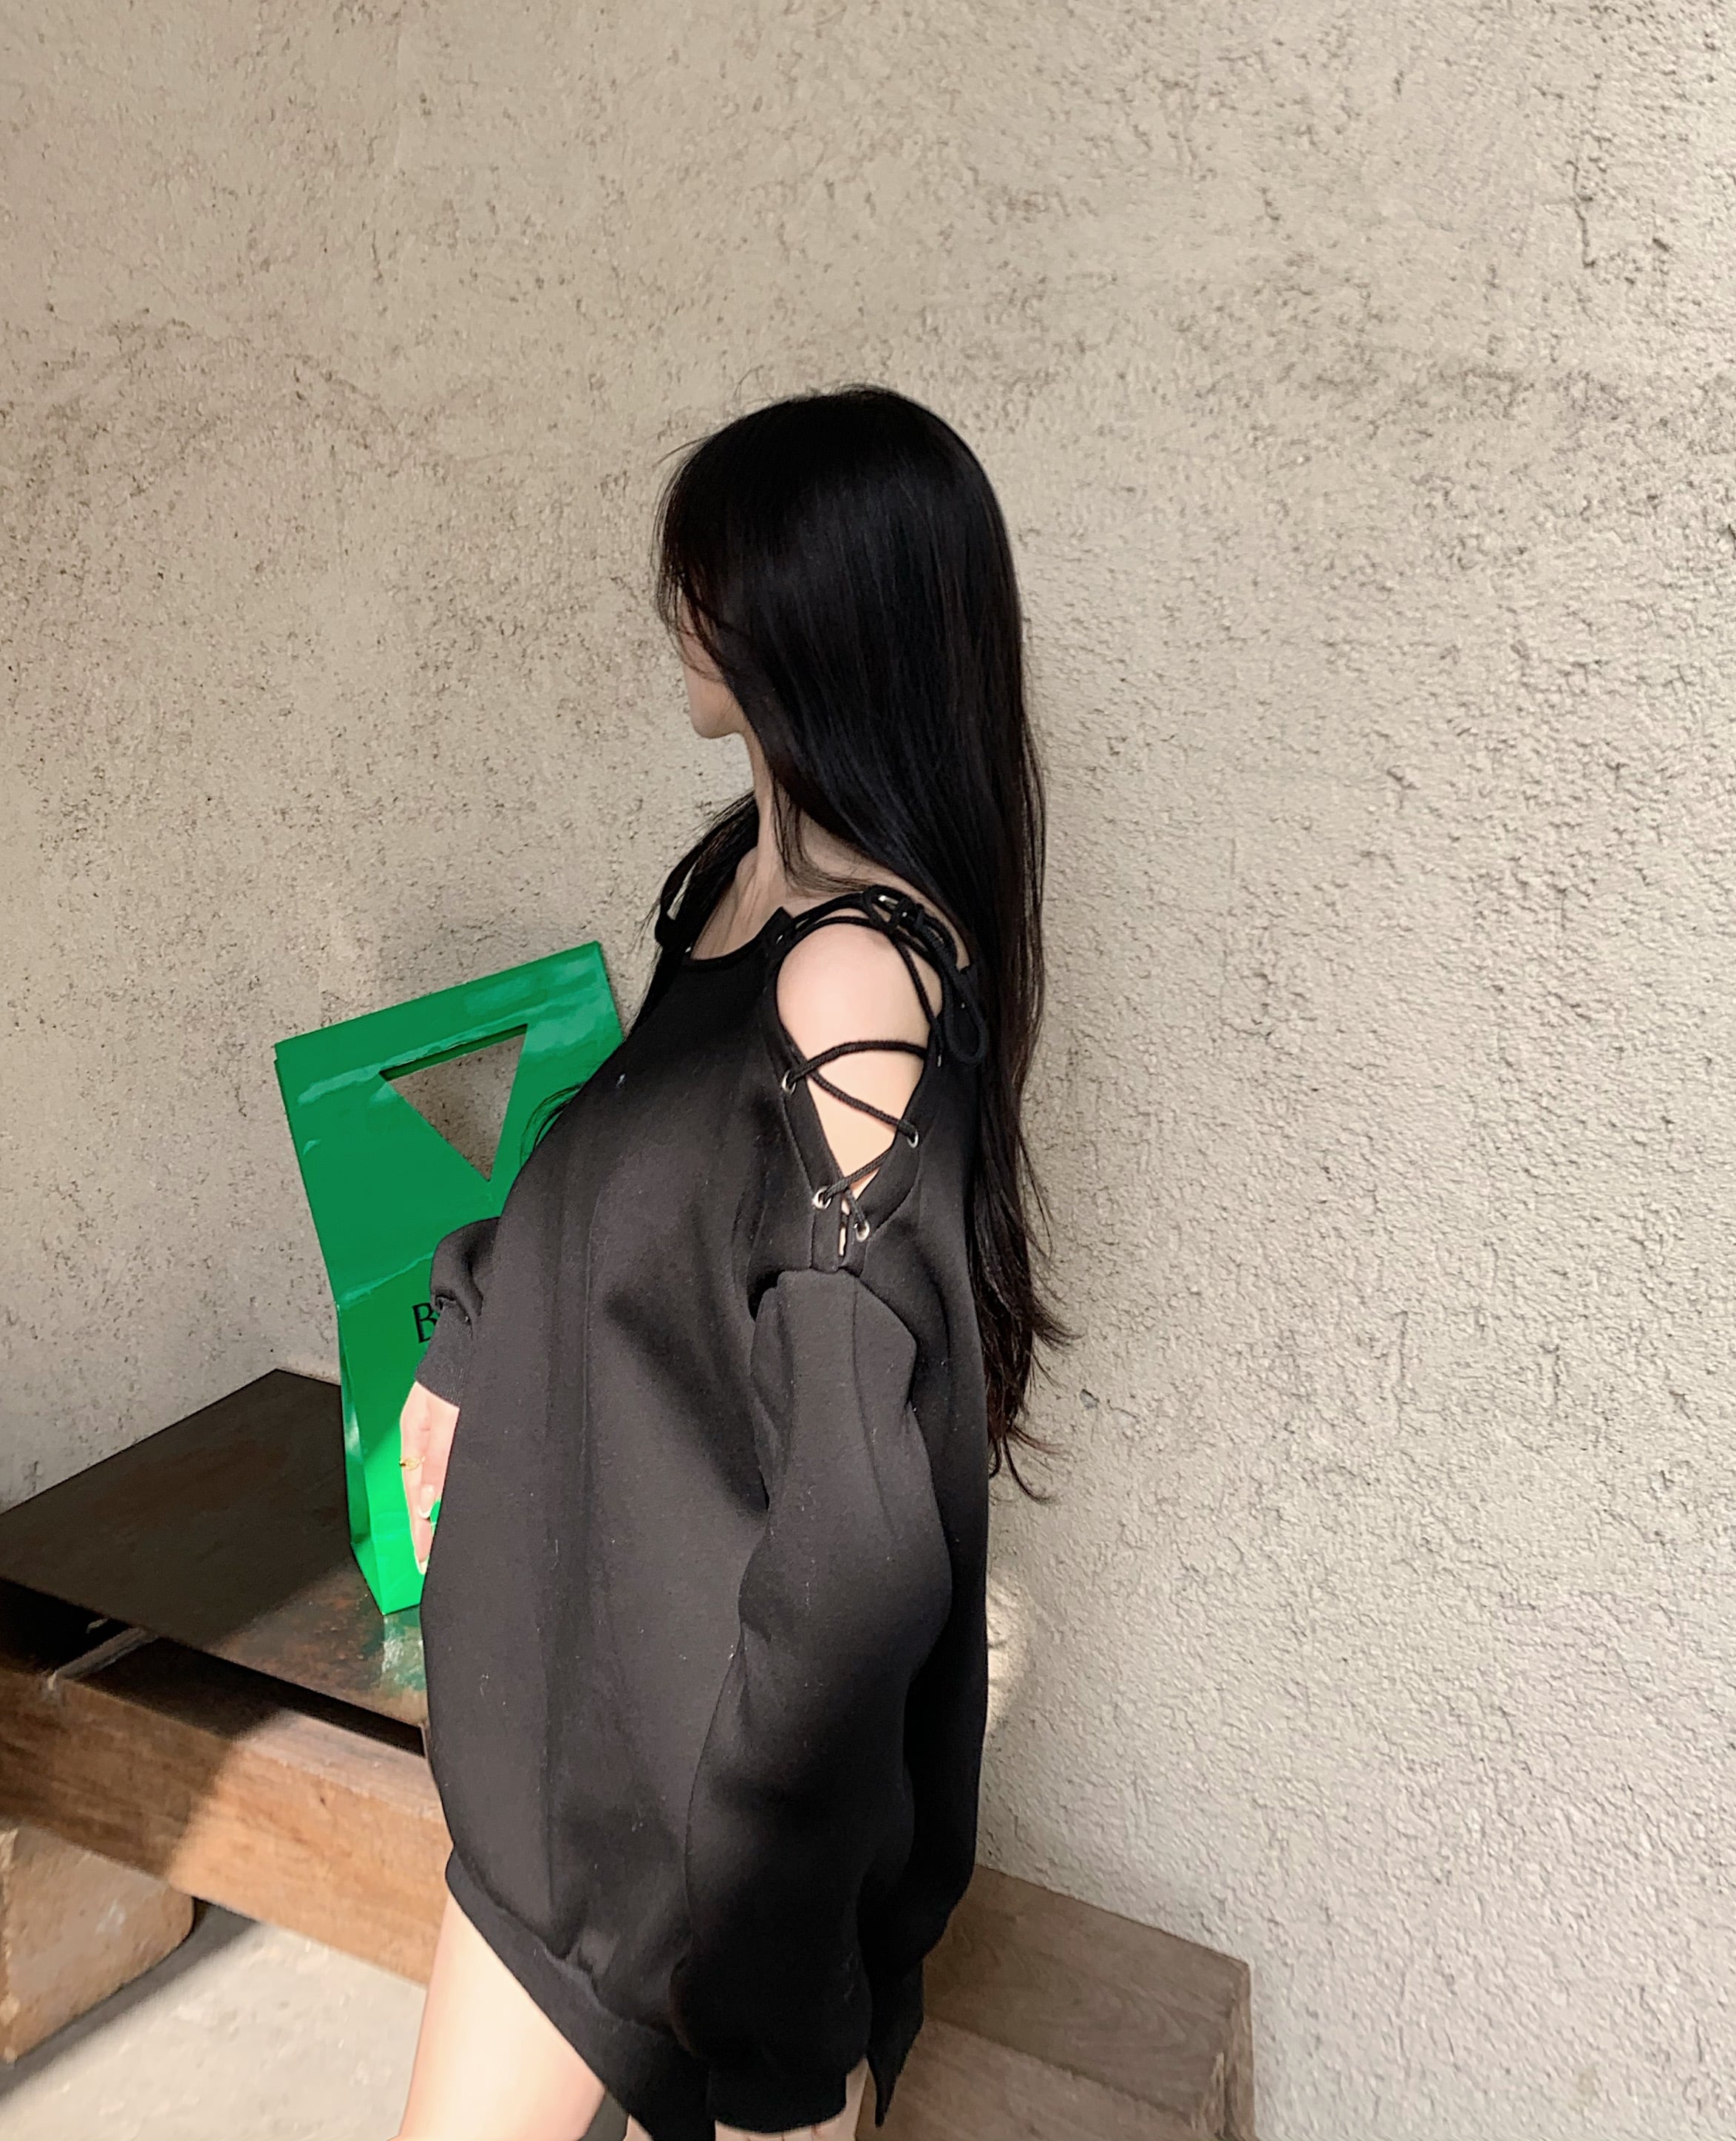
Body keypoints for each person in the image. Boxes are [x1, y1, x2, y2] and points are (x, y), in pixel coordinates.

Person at [390, 386, 1059, 2141]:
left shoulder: (852, 986)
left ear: (815, 618)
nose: (677, 610)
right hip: (572, 1769)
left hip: (707, 1855)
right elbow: (625, 1189)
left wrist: (780, 2027)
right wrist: (468, 1331)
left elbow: (852, 1559)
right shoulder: (729, 896)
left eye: (718, 575)